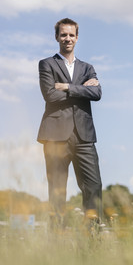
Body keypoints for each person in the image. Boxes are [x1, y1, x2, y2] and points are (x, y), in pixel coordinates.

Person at [37, 18, 102, 225]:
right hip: (55, 135)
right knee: (57, 190)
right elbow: (50, 96)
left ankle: (92, 237)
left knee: (93, 186)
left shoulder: (87, 67)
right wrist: (83, 89)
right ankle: (57, 241)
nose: (67, 38)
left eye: (71, 35)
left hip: (84, 136)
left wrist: (66, 87)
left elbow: (97, 93)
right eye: (63, 34)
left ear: (77, 38)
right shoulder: (47, 64)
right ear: (57, 37)